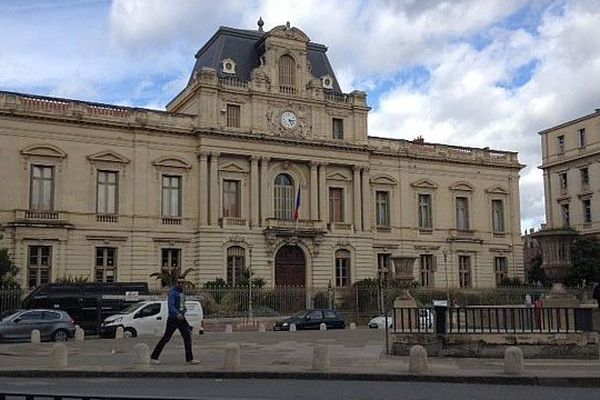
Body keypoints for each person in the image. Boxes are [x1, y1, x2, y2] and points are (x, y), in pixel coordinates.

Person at [150, 277, 199, 365]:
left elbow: (182, 303)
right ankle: (154, 357)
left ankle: (189, 358)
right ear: (176, 283)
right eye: (179, 283)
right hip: (173, 318)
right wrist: (177, 314)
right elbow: (171, 306)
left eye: (182, 283)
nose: (180, 284)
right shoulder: (172, 293)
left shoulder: (182, 293)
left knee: (187, 337)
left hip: (182, 318)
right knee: (166, 337)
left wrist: (184, 310)